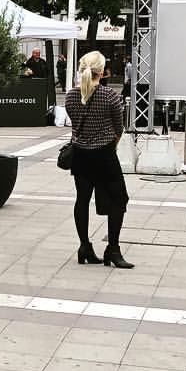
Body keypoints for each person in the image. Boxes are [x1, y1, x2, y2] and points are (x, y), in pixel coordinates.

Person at [65, 50, 132, 269]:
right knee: (119, 199)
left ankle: (84, 245)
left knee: (82, 199)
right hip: (104, 155)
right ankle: (113, 248)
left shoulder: (71, 96)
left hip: (80, 155)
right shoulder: (110, 95)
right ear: (102, 72)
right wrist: (109, 143)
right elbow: (118, 127)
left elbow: (75, 123)